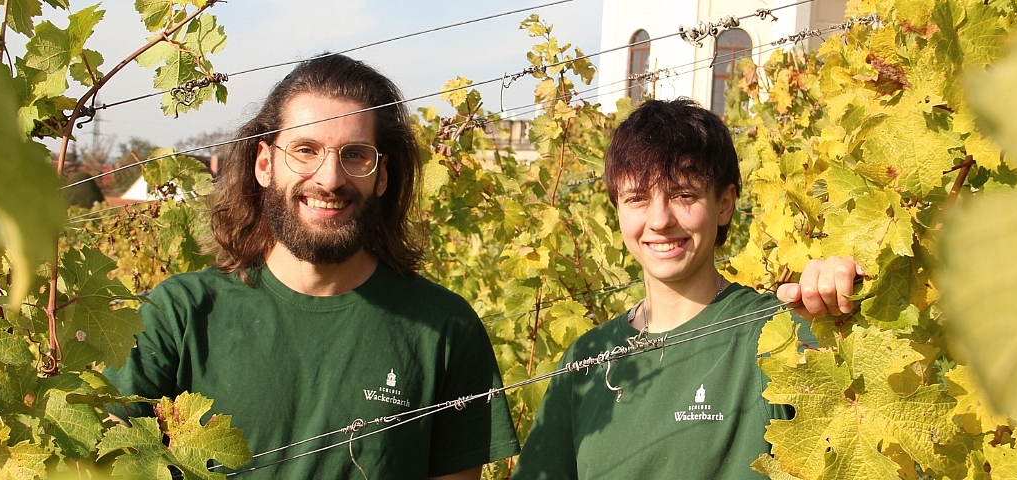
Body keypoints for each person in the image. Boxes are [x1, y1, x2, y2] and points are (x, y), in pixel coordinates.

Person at [105, 54, 519, 479]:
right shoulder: (179, 316)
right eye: (305, 150)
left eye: (355, 155)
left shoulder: (444, 329)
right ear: (264, 164)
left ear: (381, 175)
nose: (330, 178)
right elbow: (105, 459)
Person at [511, 99, 860, 479]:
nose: (660, 220)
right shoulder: (586, 358)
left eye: (683, 195)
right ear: (617, 210)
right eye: (637, 198)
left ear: (724, 204)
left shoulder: (779, 334)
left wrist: (849, 311)